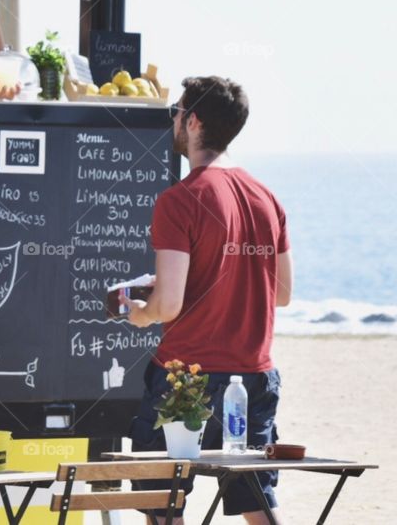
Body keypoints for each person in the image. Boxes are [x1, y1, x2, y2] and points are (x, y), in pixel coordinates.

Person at [121, 76, 294, 525]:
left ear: (193, 121)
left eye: (176, 111)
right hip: (253, 375)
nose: (174, 120)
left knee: (163, 501)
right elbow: (283, 293)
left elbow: (169, 305)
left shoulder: (180, 200)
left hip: (185, 377)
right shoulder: (267, 199)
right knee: (256, 501)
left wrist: (141, 314)